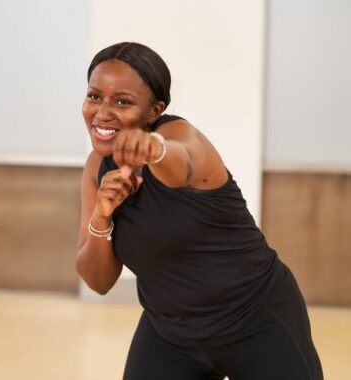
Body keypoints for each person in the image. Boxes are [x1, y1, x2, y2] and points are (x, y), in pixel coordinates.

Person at [75, 41, 323, 380]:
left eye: (122, 101)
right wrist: (101, 217)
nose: (103, 112)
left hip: (257, 320)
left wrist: (154, 150)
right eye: (94, 96)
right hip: (170, 334)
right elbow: (98, 281)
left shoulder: (181, 136)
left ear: (154, 110)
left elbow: (183, 164)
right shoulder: (96, 169)